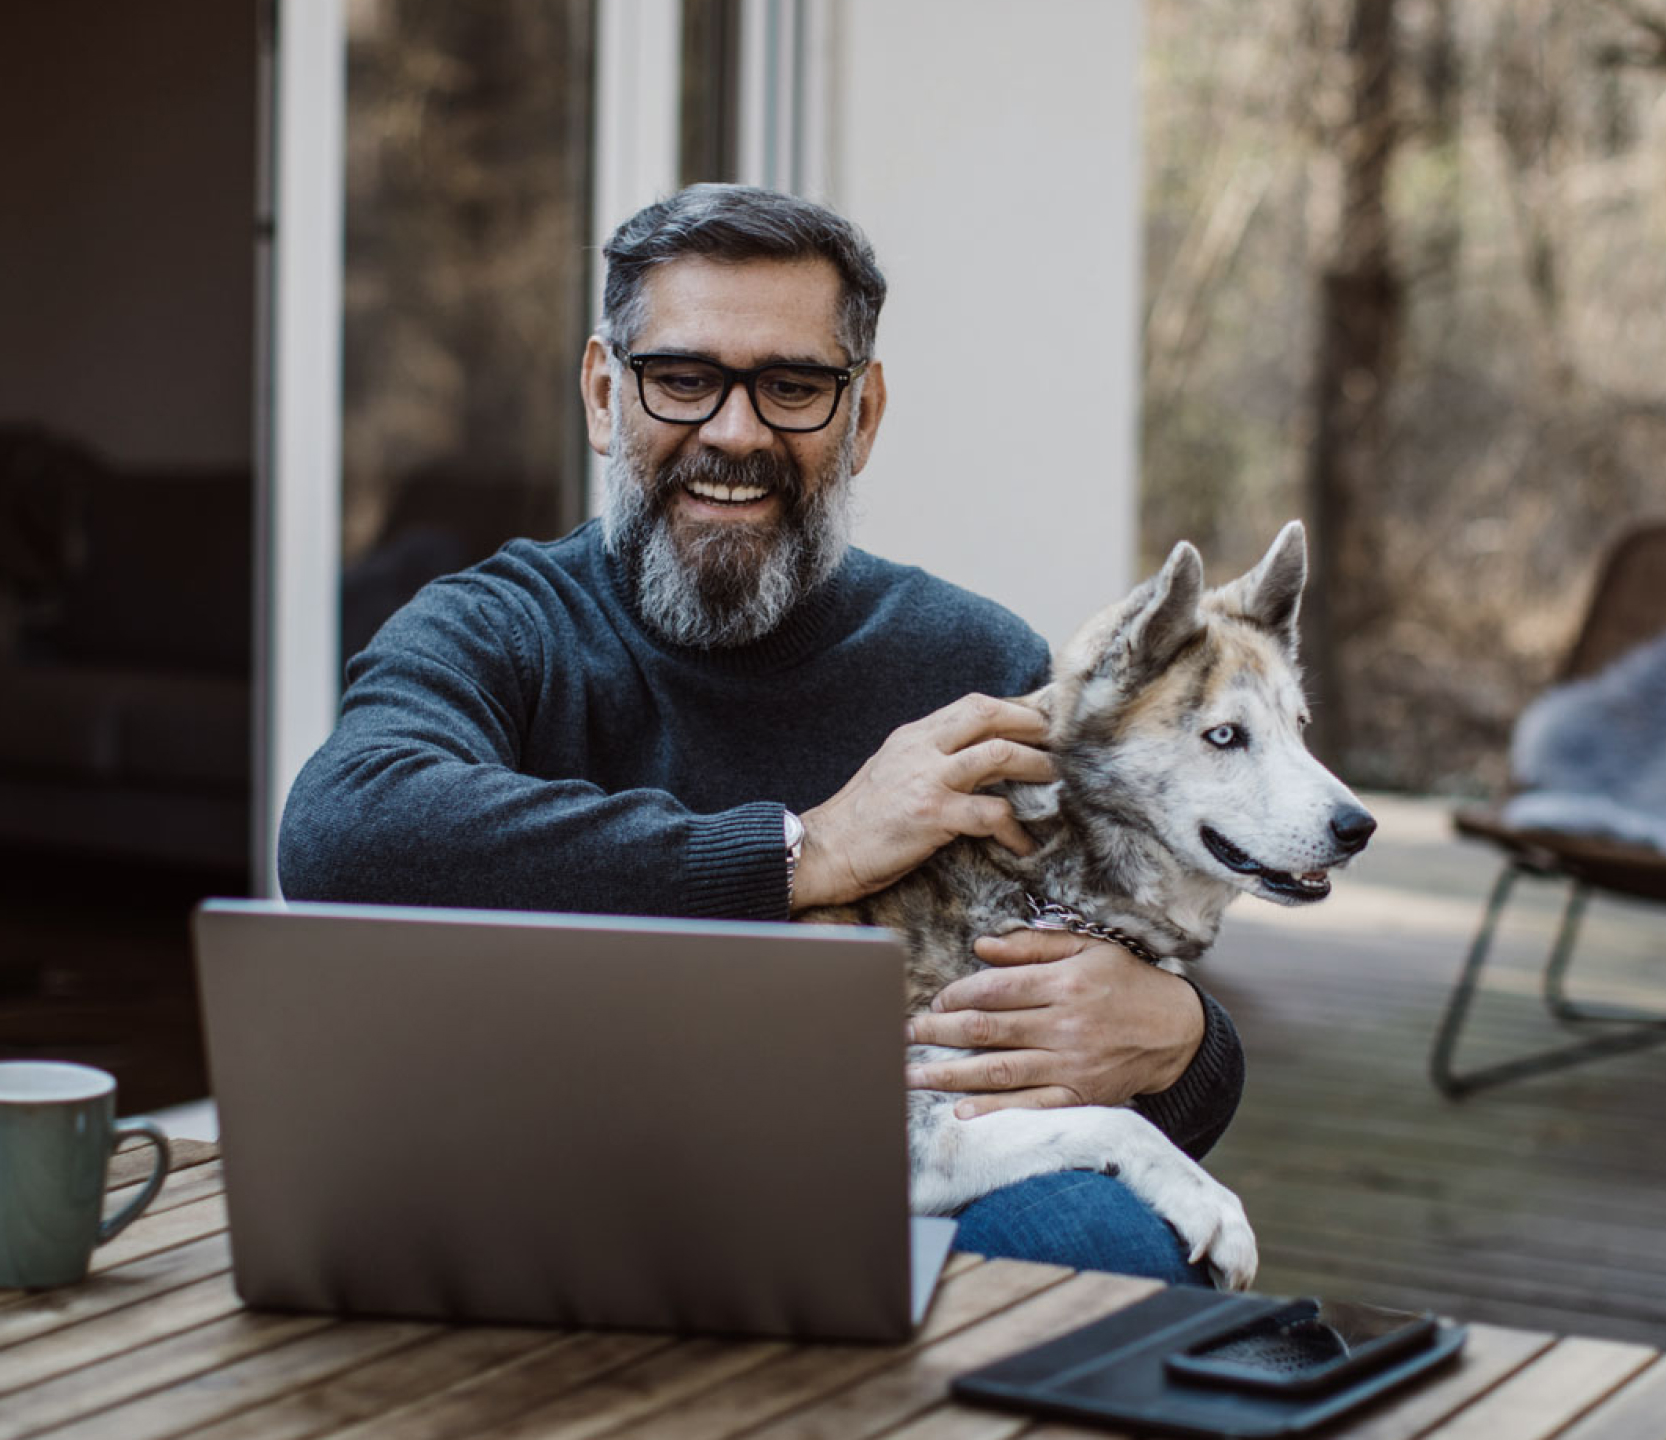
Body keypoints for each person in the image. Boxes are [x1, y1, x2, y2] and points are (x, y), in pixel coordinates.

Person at [278, 184, 1244, 1285]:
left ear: (862, 417)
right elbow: (341, 831)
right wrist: (806, 851)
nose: (735, 434)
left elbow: (1103, 995)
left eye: (794, 387)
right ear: (604, 395)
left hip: (879, 1183)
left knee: (1110, 1253)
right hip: (548, 1167)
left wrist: (1181, 1039)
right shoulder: (499, 626)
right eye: (682, 379)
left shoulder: (978, 668)